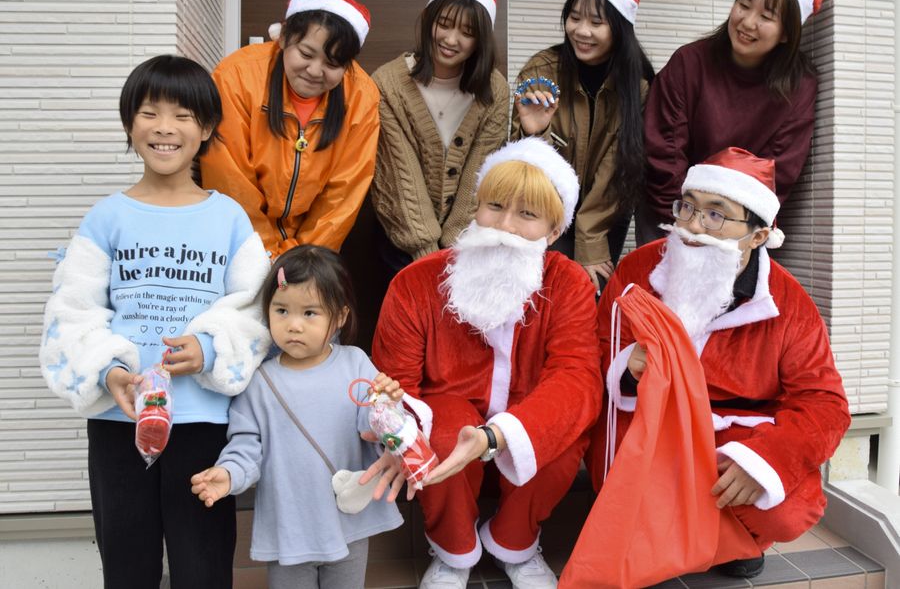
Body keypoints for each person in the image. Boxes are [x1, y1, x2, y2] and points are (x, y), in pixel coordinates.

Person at [39, 55, 272, 588]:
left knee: (203, 565)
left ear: (207, 128)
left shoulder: (229, 218)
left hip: (204, 422)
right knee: (126, 562)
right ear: (129, 124)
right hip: (119, 422)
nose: (165, 127)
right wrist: (107, 372)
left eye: (183, 115)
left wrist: (210, 350)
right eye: (149, 112)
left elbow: (258, 311)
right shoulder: (106, 218)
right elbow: (71, 313)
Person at [580, 148, 849, 582]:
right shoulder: (637, 269)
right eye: (687, 206)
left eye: (715, 215)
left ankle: (736, 541)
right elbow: (594, 355)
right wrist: (627, 368)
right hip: (650, 421)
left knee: (784, 508)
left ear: (757, 236)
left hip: (738, 434)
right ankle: (661, 538)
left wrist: (763, 460)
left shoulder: (788, 302)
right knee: (625, 485)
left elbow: (825, 402)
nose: (690, 226)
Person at [371, 137, 602, 589]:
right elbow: (395, 381)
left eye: (528, 215)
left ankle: (514, 541)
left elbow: (577, 378)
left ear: (554, 232)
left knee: (564, 432)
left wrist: (496, 436)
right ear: (475, 208)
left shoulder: (568, 283)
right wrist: (395, 431)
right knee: (437, 432)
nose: (506, 226)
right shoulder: (416, 282)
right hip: (449, 405)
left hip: (526, 408)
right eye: (494, 206)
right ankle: (453, 552)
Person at [190, 245, 404, 589]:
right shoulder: (259, 382)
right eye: (281, 310)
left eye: (309, 313)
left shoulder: (355, 364)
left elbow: (373, 427)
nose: (293, 325)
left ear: (340, 317)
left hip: (346, 524)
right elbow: (246, 447)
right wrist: (229, 473)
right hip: (289, 529)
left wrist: (387, 406)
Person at [637, 0, 825, 244]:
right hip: (672, 211)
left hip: (739, 227)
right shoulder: (690, 62)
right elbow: (664, 148)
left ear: (787, 32)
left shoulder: (798, 86)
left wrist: (729, 225)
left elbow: (779, 169)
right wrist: (688, 218)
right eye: (744, 6)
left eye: (766, 16)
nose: (748, 22)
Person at [200, 0, 379, 258]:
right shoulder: (236, 76)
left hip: (310, 249)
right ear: (283, 38)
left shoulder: (362, 97)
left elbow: (344, 193)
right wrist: (267, 256)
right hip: (238, 239)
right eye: (306, 54)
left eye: (332, 64)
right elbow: (230, 179)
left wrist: (304, 260)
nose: (315, 71)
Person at [511, 0, 654, 289]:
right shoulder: (542, 70)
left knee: (587, 296)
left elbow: (619, 167)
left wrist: (589, 241)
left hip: (606, 214)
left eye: (596, 22)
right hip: (547, 207)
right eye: (574, 18)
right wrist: (535, 132)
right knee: (541, 295)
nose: (581, 31)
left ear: (619, 28)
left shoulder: (639, 88)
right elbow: (522, 162)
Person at [370, 0, 509, 274]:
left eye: (467, 33)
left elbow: (481, 170)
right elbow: (397, 170)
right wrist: (425, 251)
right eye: (444, 25)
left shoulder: (494, 89)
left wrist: (457, 243)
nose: (451, 39)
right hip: (403, 241)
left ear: (480, 40)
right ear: (429, 20)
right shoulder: (388, 84)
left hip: (469, 243)